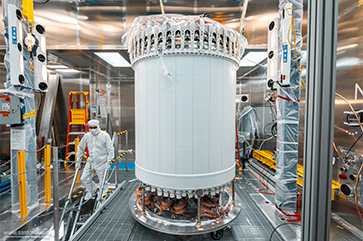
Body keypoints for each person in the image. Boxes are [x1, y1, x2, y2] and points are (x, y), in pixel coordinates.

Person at [76, 120, 114, 200]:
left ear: (98, 126)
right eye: (91, 128)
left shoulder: (105, 135)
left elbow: (110, 149)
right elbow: (80, 147)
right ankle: (92, 190)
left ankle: (103, 195)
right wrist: (78, 159)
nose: (93, 129)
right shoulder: (87, 136)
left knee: (102, 181)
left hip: (102, 162)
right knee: (84, 178)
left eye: (94, 127)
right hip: (91, 162)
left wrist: (108, 161)